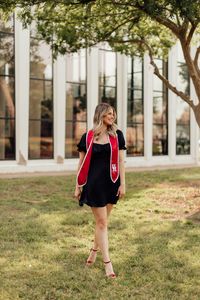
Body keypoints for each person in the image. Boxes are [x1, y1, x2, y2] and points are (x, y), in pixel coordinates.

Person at [74, 102, 126, 278]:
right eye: (109, 113)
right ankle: (107, 263)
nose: (112, 116)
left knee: (101, 223)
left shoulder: (117, 136)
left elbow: (120, 161)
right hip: (94, 185)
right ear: (100, 115)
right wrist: (77, 186)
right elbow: (80, 164)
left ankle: (93, 251)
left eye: (113, 113)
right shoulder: (88, 137)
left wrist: (123, 183)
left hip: (111, 183)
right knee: (102, 223)